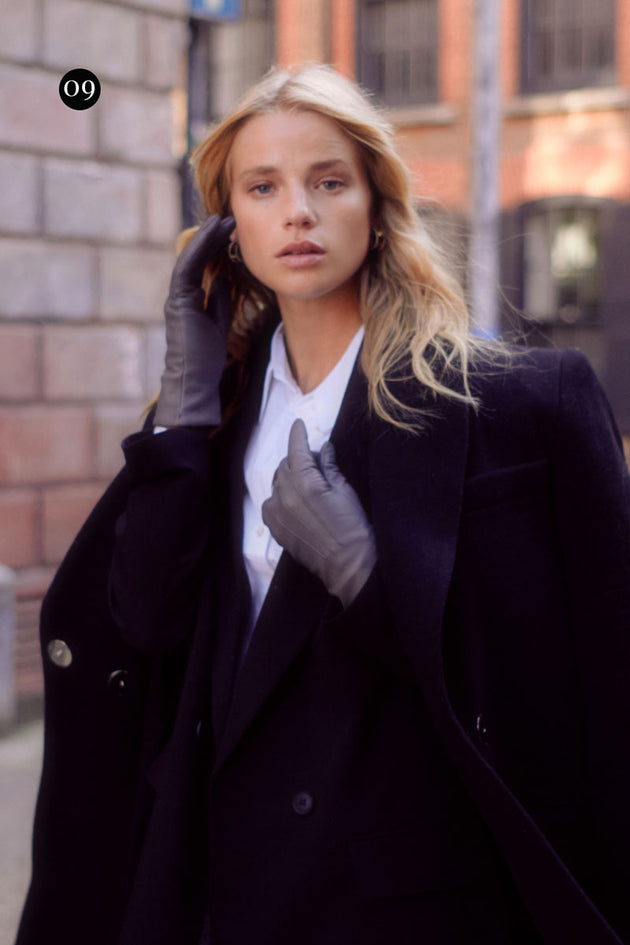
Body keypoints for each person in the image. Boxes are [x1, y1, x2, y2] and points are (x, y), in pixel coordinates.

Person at [16, 64, 630, 945]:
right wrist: (185, 408)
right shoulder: (209, 423)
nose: (297, 211)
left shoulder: (522, 406)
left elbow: (586, 683)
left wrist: (370, 578)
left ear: (376, 205)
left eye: (328, 181)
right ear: (228, 229)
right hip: (230, 893)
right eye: (262, 187)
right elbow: (146, 623)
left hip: (422, 902)